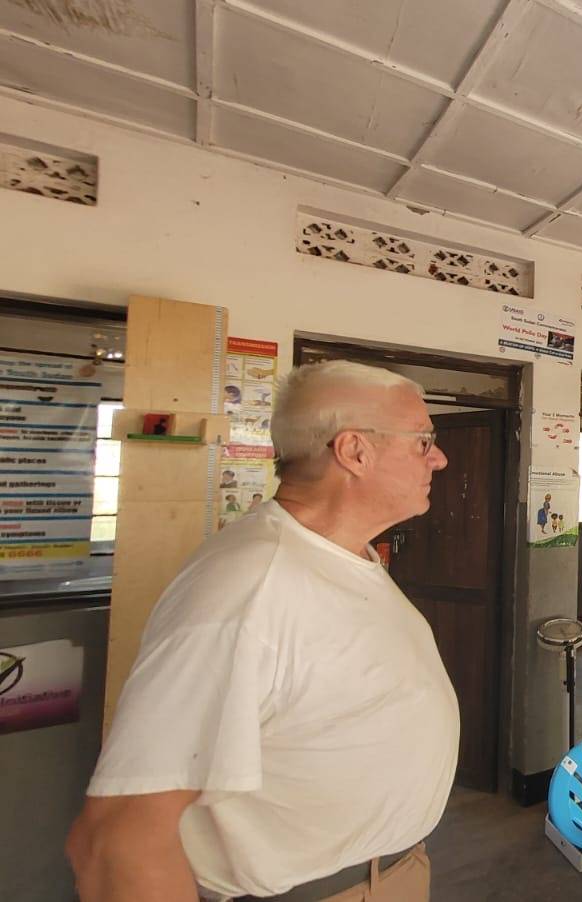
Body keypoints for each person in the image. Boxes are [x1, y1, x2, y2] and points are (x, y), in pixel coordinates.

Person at [67, 360, 458, 901]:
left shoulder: (346, 555)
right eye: (423, 440)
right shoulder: (247, 587)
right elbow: (118, 839)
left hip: (388, 873)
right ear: (354, 452)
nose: (438, 457)